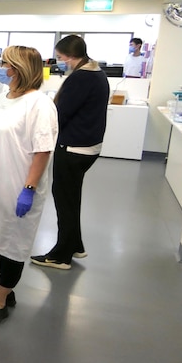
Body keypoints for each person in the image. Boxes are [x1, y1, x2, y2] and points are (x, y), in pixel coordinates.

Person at [0, 45, 58, 326]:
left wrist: (29, 189)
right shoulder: (2, 99)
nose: (0, 67)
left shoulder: (40, 104)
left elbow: (42, 150)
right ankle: (3, 289)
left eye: (5, 63)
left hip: (19, 184)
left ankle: (1, 301)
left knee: (13, 241)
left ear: (20, 69)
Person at [31, 35, 109, 270]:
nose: (60, 61)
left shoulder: (81, 78)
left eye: (61, 57)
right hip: (88, 146)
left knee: (64, 199)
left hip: (74, 147)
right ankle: (75, 244)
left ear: (71, 56)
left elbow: (61, 113)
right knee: (71, 198)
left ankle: (61, 256)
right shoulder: (96, 72)